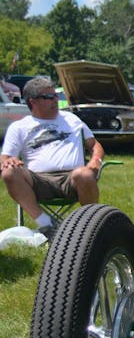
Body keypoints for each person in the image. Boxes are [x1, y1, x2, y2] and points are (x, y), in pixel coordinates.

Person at [1, 77, 104, 240]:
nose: (55, 100)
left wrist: (95, 160)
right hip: (39, 182)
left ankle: (89, 228)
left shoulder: (71, 119)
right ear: (33, 101)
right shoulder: (19, 127)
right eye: (49, 97)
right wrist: (9, 162)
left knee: (84, 174)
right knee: (9, 172)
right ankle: (47, 225)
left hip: (73, 179)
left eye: (55, 95)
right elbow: (5, 157)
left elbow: (94, 145)